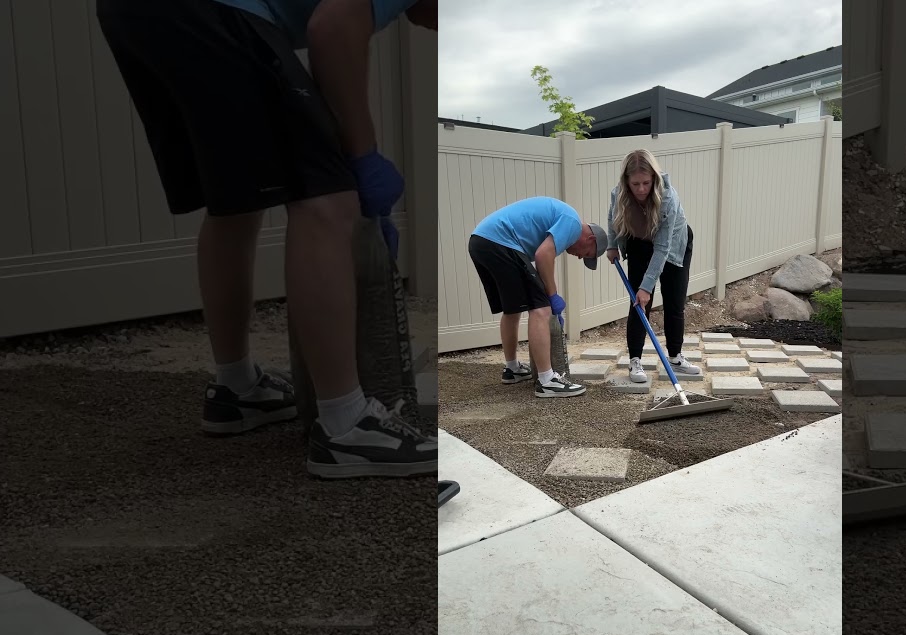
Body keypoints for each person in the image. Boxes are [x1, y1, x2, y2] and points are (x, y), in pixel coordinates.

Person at [94, 0, 439, 479]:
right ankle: (346, 427)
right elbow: (333, 29)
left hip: (133, 15)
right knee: (328, 200)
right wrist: (362, 157)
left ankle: (236, 388)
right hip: (214, 10)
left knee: (235, 202)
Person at [467, 197, 607, 399]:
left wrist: (548, 292)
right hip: (501, 241)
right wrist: (552, 296)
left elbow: (545, 259)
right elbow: (543, 256)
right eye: (586, 254)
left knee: (512, 309)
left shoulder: (564, 219)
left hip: (480, 241)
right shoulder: (573, 224)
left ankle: (512, 368)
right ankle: (547, 380)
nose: (579, 257)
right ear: (591, 240)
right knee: (541, 308)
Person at [604, 149, 702, 383]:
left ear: (654, 179)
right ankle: (635, 361)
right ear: (627, 181)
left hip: (674, 245)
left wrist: (647, 287)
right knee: (638, 304)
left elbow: (663, 248)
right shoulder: (618, 194)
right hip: (639, 242)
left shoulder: (667, 197)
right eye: (635, 183)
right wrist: (611, 245)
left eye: (646, 183)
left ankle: (676, 357)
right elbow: (612, 218)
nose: (640, 189)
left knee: (674, 301)